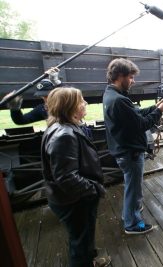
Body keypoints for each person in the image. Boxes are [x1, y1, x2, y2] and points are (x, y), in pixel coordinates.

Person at [41, 87, 111, 267]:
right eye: (81, 101)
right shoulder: (64, 135)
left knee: (84, 237)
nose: (85, 103)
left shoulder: (62, 128)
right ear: (70, 107)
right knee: (80, 242)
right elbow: (66, 177)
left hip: (72, 198)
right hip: (74, 201)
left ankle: (90, 261)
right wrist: (94, 189)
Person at [102, 58, 163, 234]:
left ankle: (130, 213)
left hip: (124, 150)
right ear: (120, 76)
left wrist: (154, 107)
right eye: (131, 77)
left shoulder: (111, 94)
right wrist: (159, 112)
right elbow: (141, 124)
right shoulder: (119, 100)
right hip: (130, 153)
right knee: (133, 188)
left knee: (132, 187)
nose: (133, 81)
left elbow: (135, 115)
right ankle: (132, 224)